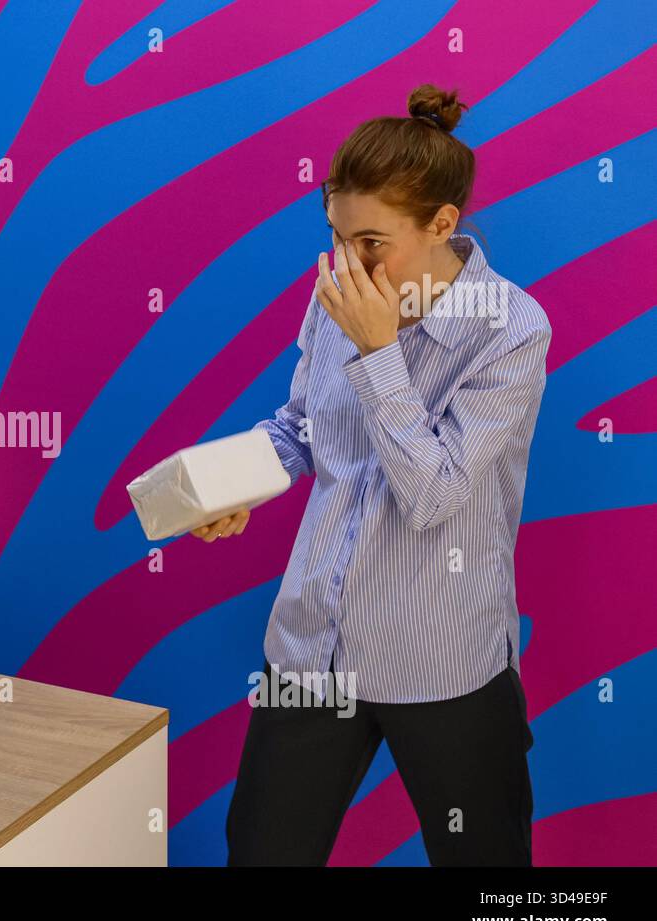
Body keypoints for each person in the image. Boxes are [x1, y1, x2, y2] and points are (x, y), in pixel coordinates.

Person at [195, 86, 547, 866]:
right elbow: (301, 425)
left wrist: (379, 352)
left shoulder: (512, 329)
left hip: (444, 659)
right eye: (336, 235)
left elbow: (435, 494)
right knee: (260, 853)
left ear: (442, 224)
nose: (348, 262)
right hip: (311, 645)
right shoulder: (339, 296)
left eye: (372, 241)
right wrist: (240, 480)